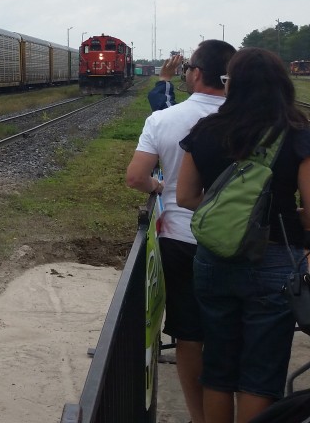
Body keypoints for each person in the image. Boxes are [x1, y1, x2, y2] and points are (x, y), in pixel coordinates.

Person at [177, 47, 310, 423]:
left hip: (214, 259)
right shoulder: (296, 133)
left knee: (218, 367)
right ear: (280, 85)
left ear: (231, 85)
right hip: (274, 261)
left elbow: (186, 197)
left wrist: (229, 218)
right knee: (260, 375)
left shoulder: (205, 130)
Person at [126, 39, 235, 423]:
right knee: (233, 332)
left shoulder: (164, 120)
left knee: (190, 335)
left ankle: (200, 416)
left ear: (196, 74)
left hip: (182, 239)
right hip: (244, 243)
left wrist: (160, 188)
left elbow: (137, 177)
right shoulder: (253, 118)